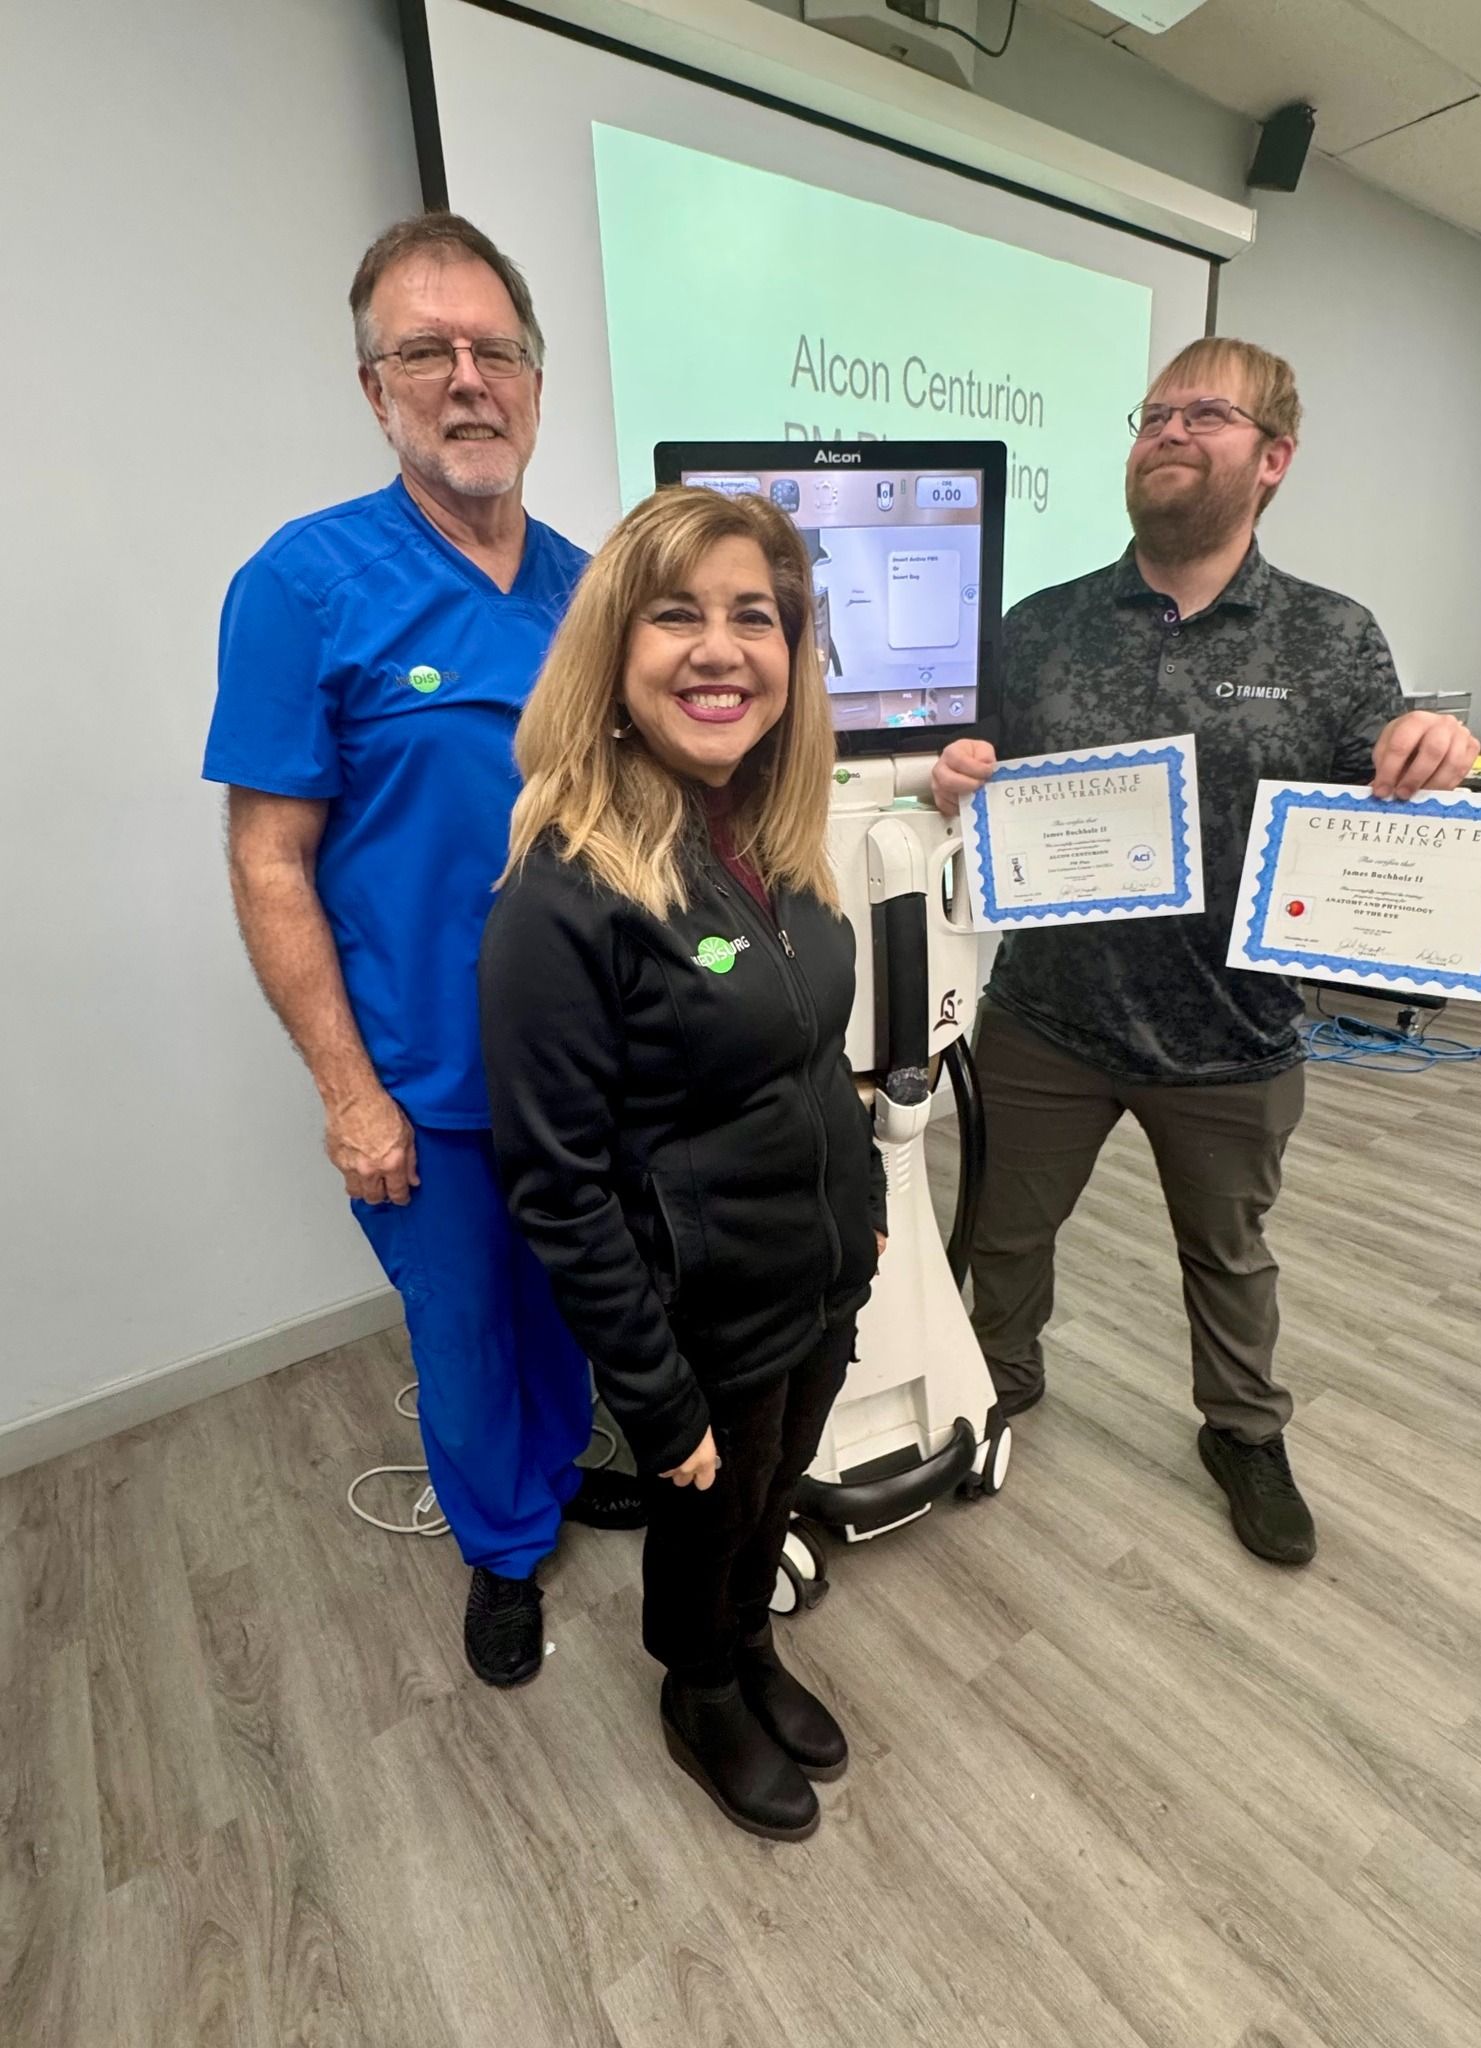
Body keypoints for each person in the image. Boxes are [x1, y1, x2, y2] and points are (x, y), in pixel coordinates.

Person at [934, 338, 1480, 1568]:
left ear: (1272, 460)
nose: (1170, 431)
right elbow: (974, 777)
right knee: (1005, 1233)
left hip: (1233, 1031)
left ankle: (1241, 1428)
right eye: (1155, 413)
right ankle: (995, 1379)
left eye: (1209, 414)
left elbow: (1375, 799)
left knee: (1229, 1255)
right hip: (1048, 1025)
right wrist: (953, 774)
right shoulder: (1039, 626)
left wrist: (1428, 752)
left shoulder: (1333, 637)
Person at [203, 213, 644, 1691]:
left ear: (534, 377)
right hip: (427, 1078)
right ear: (372, 386)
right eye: (424, 351)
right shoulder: (306, 583)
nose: (467, 379)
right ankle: (503, 1547)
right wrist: (346, 1088)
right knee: (463, 1331)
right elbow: (271, 858)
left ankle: (559, 1470)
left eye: (494, 350)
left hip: (583, 1066)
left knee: (575, 1301)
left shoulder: (596, 590)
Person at [478, 487, 887, 1841]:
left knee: (772, 1499)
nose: (720, 648)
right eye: (678, 615)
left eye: (753, 617)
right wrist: (654, 1396)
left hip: (814, 1275)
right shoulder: (562, 890)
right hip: (700, 1311)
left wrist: (869, 1212)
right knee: (709, 1514)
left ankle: (753, 1650)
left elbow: (820, 1056)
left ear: (792, 655)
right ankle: (698, 1686)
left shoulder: (773, 837)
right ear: (616, 650)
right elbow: (555, 1182)